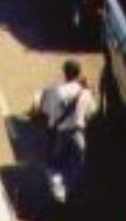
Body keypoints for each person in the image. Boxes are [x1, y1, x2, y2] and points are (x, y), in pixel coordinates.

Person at [34, 60, 95, 205]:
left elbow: (45, 113)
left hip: (59, 135)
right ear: (78, 74)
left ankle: (58, 194)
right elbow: (92, 113)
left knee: (55, 165)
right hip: (77, 134)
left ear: (65, 73)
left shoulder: (55, 91)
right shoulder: (84, 93)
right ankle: (73, 192)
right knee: (77, 164)